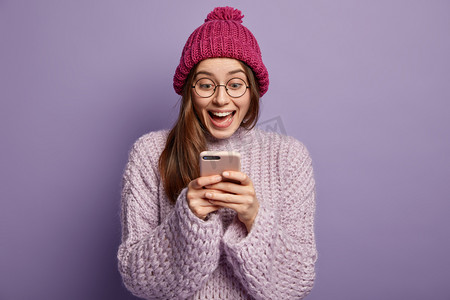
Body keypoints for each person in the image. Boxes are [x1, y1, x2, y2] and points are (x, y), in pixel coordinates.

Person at [117, 6, 317, 300]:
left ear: (252, 91)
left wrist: (253, 218)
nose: (221, 98)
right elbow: (138, 278)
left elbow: (297, 283)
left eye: (236, 84)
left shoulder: (288, 157)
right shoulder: (150, 152)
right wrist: (188, 219)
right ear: (189, 90)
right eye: (206, 84)